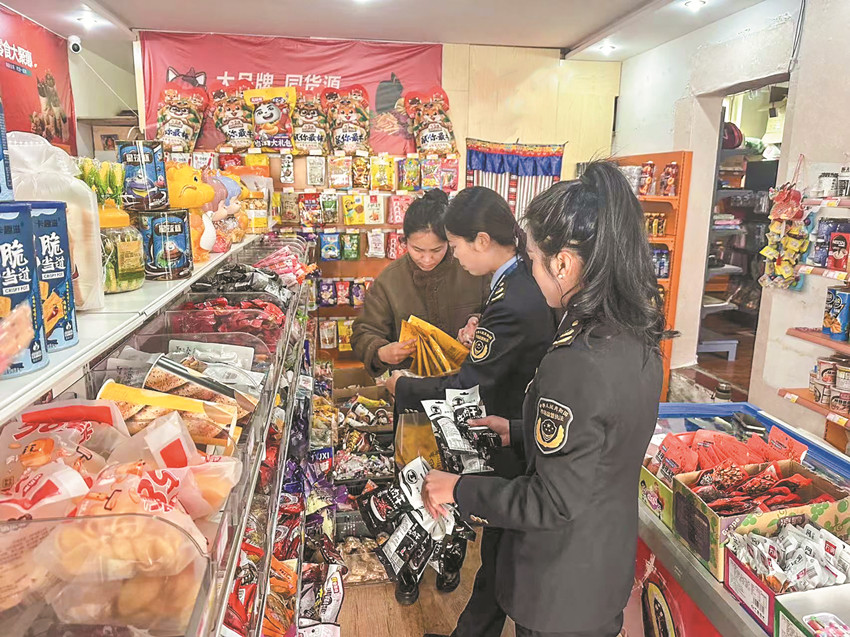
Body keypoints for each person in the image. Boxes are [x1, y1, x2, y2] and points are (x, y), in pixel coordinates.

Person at [419, 161, 667, 637]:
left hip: (560, 582)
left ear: (563, 264)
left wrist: (459, 489)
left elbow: (551, 502)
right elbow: (600, 439)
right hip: (599, 566)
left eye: (533, 259)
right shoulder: (633, 333)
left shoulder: (577, 360)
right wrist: (518, 430)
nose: (530, 272)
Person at [387, 187, 556, 628]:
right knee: (499, 552)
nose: (454, 257)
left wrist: (404, 387)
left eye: (454, 246)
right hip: (514, 427)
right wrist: (480, 327)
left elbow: (469, 385)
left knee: (502, 550)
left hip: (512, 433)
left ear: (481, 240)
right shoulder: (513, 281)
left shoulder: (515, 295)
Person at [351, 188, 489, 378]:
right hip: (412, 384)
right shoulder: (389, 281)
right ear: (405, 241)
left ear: (449, 242)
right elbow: (363, 332)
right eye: (417, 249)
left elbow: (498, 311)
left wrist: (477, 322)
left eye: (436, 250)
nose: (427, 259)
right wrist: (382, 352)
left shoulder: (472, 269)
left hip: (467, 380)